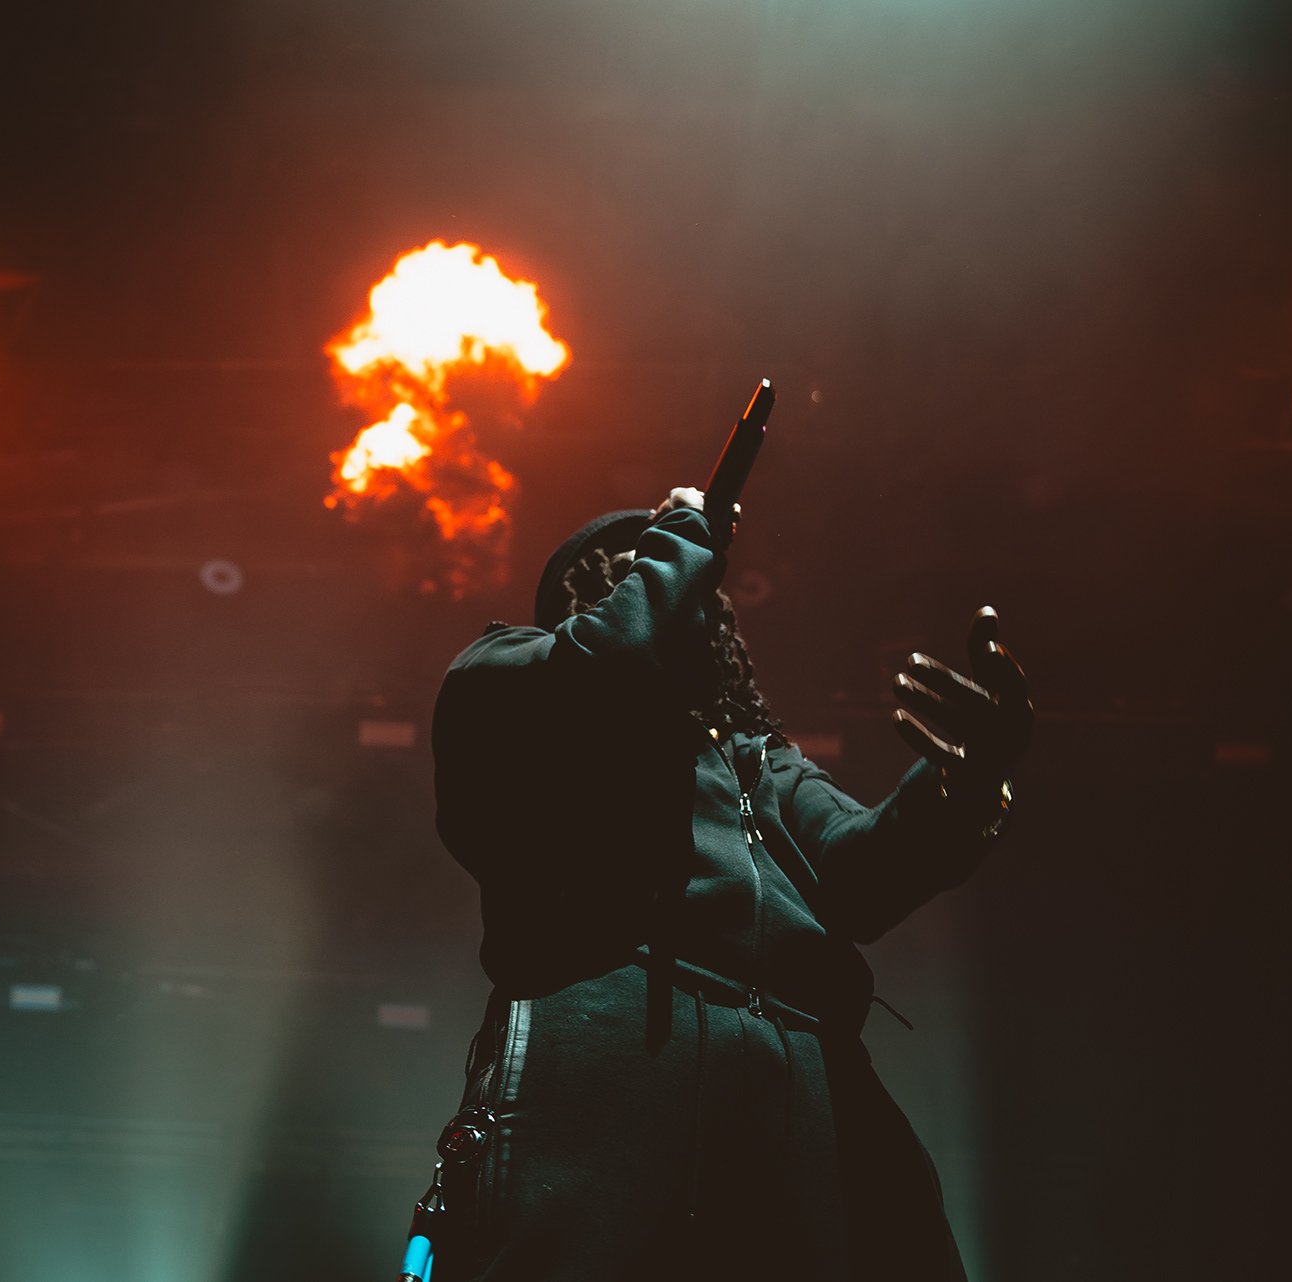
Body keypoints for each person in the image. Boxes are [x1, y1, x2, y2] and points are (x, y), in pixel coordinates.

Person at [426, 486, 1033, 1281]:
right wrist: (684, 526)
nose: (689, 583)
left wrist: (969, 782)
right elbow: (608, 665)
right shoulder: (510, 671)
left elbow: (863, 877)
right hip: (618, 1044)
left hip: (809, 1068)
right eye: (649, 564)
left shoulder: (757, 756)